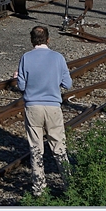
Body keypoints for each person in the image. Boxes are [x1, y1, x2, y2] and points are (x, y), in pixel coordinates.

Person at [16, 25, 73, 196]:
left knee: (36, 150)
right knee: (59, 148)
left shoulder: (26, 58)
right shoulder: (58, 58)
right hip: (53, 107)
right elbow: (68, 84)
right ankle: (69, 184)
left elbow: (21, 86)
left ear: (32, 40)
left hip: (33, 107)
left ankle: (39, 189)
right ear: (48, 39)